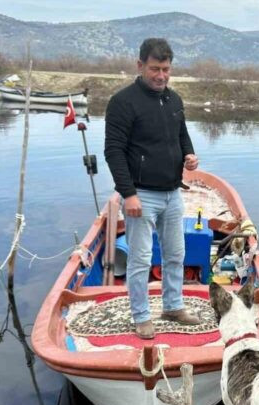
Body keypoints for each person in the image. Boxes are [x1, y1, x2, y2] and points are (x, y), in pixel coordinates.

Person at [104, 38, 201, 339]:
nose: (161, 75)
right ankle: (141, 315)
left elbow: (181, 134)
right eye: (155, 69)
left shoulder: (173, 100)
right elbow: (114, 151)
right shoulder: (123, 102)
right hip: (141, 195)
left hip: (173, 193)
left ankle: (173, 306)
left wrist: (190, 153)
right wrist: (128, 193)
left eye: (166, 70)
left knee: (176, 254)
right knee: (141, 259)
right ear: (140, 65)